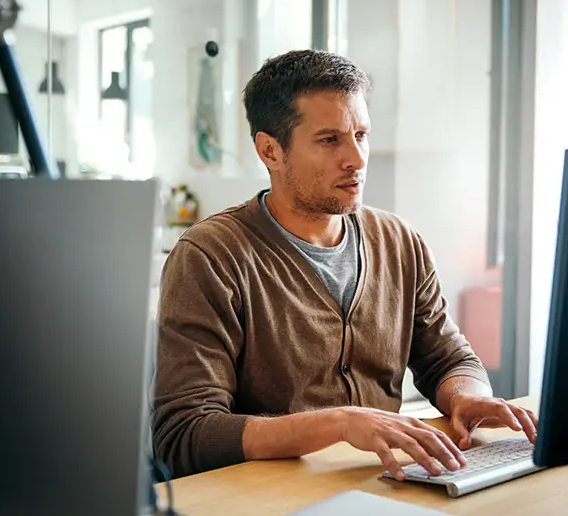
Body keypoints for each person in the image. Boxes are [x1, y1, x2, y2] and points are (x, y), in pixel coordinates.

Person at [152, 49, 538, 480]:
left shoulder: (399, 241)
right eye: (330, 139)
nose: (356, 158)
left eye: (361, 135)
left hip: (384, 485)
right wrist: (337, 423)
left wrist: (466, 396)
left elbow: (447, 359)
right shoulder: (209, 256)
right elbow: (185, 434)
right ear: (270, 151)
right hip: (267, 502)